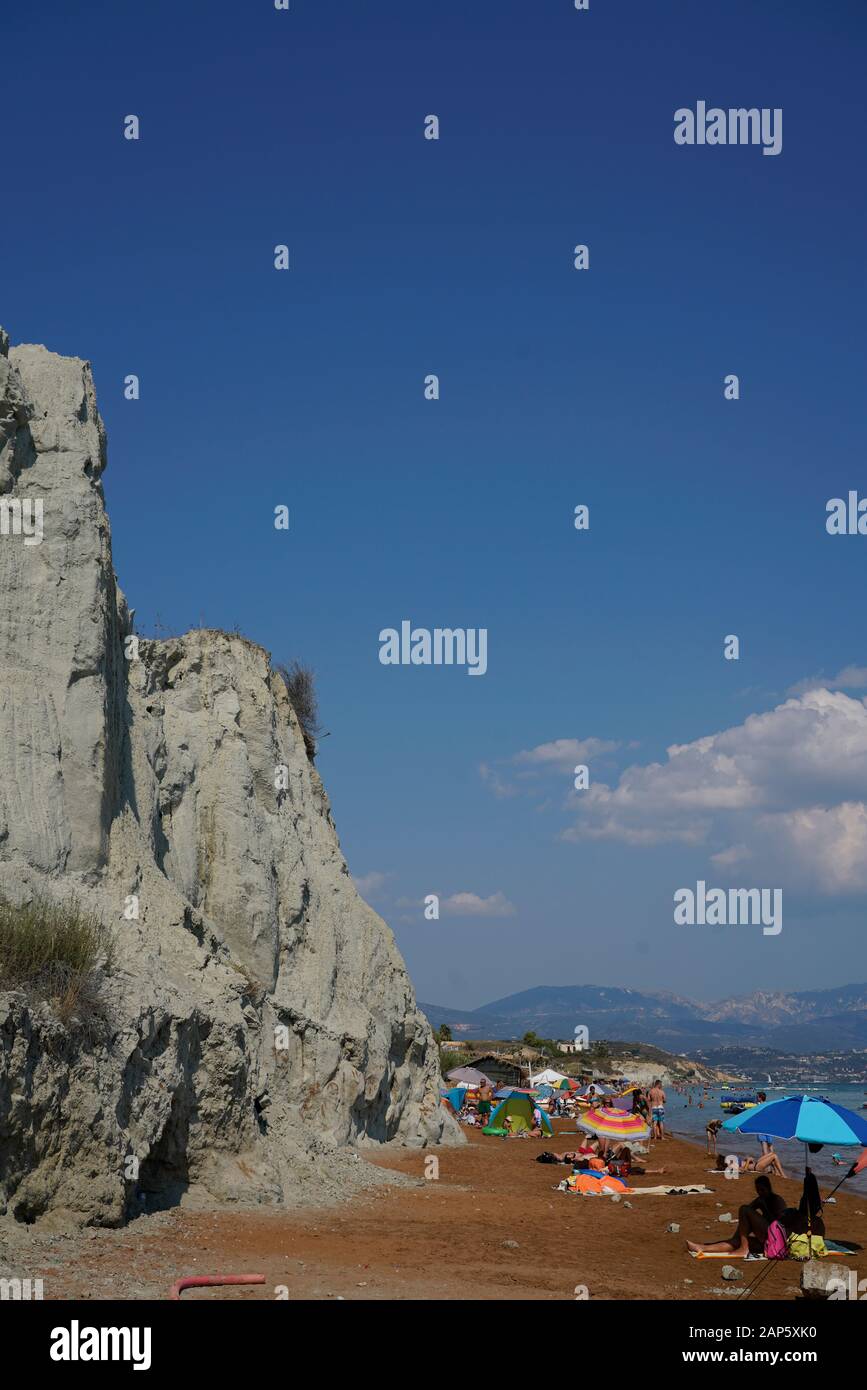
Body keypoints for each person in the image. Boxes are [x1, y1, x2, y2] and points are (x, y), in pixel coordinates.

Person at [686, 1176, 787, 1256]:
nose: (760, 1192)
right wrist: (739, 1235)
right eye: (758, 1190)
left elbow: (781, 1225)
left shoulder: (777, 1200)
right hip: (765, 1239)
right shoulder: (761, 1199)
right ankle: (702, 1248)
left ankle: (744, 1248)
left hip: (774, 1238)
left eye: (762, 1190)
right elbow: (747, 1216)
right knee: (736, 1242)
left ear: (769, 1188)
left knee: (743, 1209)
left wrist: (763, 1210)